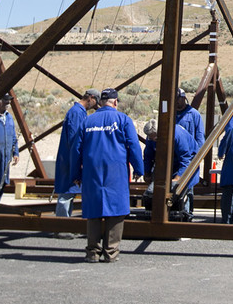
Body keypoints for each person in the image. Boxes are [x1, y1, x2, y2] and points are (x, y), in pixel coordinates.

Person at [70, 88, 143, 263]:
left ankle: (93, 252)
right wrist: (139, 169)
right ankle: (111, 252)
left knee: (94, 211)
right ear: (115, 102)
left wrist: (76, 173)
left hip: (92, 171)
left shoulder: (88, 121)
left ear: (101, 102)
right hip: (115, 171)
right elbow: (134, 146)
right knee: (116, 211)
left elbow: (76, 149)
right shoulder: (123, 119)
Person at [53, 88, 100, 226]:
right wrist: (78, 161)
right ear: (91, 98)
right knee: (67, 193)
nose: (95, 106)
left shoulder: (77, 112)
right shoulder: (77, 113)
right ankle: (62, 227)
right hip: (70, 160)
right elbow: (75, 140)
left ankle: (65, 225)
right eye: (95, 102)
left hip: (70, 159)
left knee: (69, 193)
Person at [141, 118, 196, 220]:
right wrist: (147, 172)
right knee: (153, 191)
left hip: (185, 161)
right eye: (151, 139)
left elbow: (186, 159)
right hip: (166, 162)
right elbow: (148, 156)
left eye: (155, 139)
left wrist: (178, 178)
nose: (153, 140)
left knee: (182, 191)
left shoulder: (177, 135)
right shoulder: (151, 138)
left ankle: (185, 218)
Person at [173, 87, 204, 216]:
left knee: (188, 188)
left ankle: (187, 213)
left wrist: (197, 157)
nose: (177, 102)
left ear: (184, 99)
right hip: (173, 159)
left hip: (188, 158)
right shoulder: (170, 113)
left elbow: (200, 137)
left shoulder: (194, 114)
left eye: (179, 99)